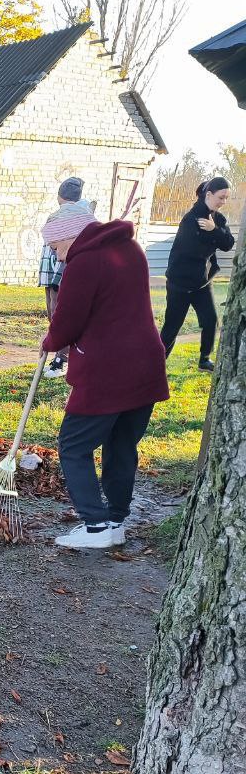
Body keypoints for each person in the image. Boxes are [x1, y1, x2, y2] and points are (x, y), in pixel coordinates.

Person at [41, 204, 169, 551]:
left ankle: (96, 527)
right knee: (121, 443)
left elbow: (68, 320)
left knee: (74, 445)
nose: (58, 256)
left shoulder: (84, 262)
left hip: (108, 370)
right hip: (144, 364)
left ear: (68, 236)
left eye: (55, 247)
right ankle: (115, 520)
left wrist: (50, 342)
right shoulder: (132, 248)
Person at [161, 176, 234, 372]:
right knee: (172, 328)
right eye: (221, 197)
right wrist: (214, 234)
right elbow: (193, 249)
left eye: (226, 198)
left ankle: (204, 359)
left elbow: (228, 244)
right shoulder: (190, 218)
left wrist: (214, 230)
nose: (223, 202)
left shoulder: (218, 219)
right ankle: (157, 364)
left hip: (202, 283)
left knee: (210, 321)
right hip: (180, 284)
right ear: (208, 195)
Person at [39, 177, 90, 377]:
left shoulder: (78, 219)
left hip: (62, 276)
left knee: (61, 312)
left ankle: (62, 359)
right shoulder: (57, 218)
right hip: (51, 274)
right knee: (53, 311)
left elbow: (71, 315)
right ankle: (58, 355)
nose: (59, 255)